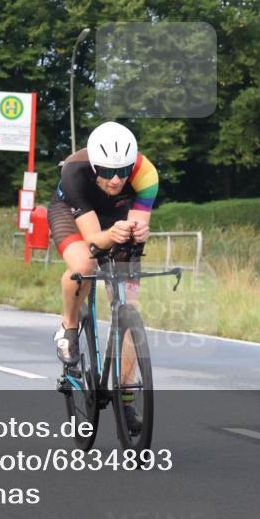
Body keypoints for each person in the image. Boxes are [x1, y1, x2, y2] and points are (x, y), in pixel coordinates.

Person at [48, 122, 159, 427]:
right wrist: (111, 235)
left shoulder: (146, 174)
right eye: (108, 171)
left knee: (131, 307)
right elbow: (93, 241)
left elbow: (136, 225)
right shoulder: (74, 171)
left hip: (115, 216)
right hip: (72, 214)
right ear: (95, 165)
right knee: (84, 266)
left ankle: (126, 399)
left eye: (123, 171)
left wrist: (138, 232)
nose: (116, 179)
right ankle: (69, 326)